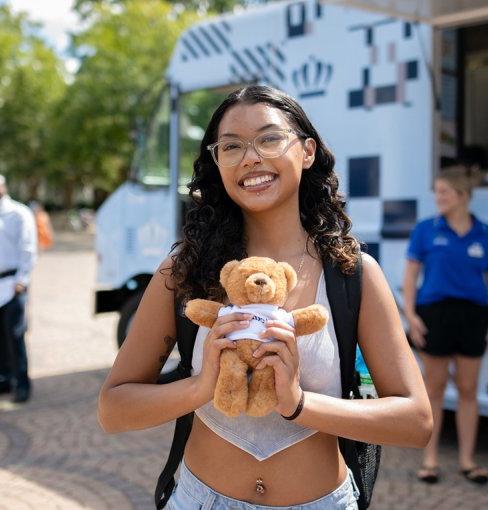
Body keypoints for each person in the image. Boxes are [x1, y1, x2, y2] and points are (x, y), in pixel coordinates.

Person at [98, 86, 432, 509]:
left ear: (307, 151)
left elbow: (416, 422)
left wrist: (299, 402)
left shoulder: (351, 273)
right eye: (231, 146)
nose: (251, 157)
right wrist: (201, 387)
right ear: (217, 163)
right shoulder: (184, 271)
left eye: (270, 138)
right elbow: (113, 410)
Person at [403, 165, 488, 485]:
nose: (438, 198)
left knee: (468, 390)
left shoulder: (484, 233)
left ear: (463, 196)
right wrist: (411, 316)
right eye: (437, 192)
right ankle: (430, 460)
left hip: (473, 316)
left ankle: (467, 461)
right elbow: (411, 276)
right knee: (434, 389)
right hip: (434, 315)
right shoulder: (426, 229)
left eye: (444, 192)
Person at [0, 174, 37, 403]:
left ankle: (22, 383)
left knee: (15, 336)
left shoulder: (19, 213)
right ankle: (4, 379)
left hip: (13, 284)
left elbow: (29, 250)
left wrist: (22, 281)